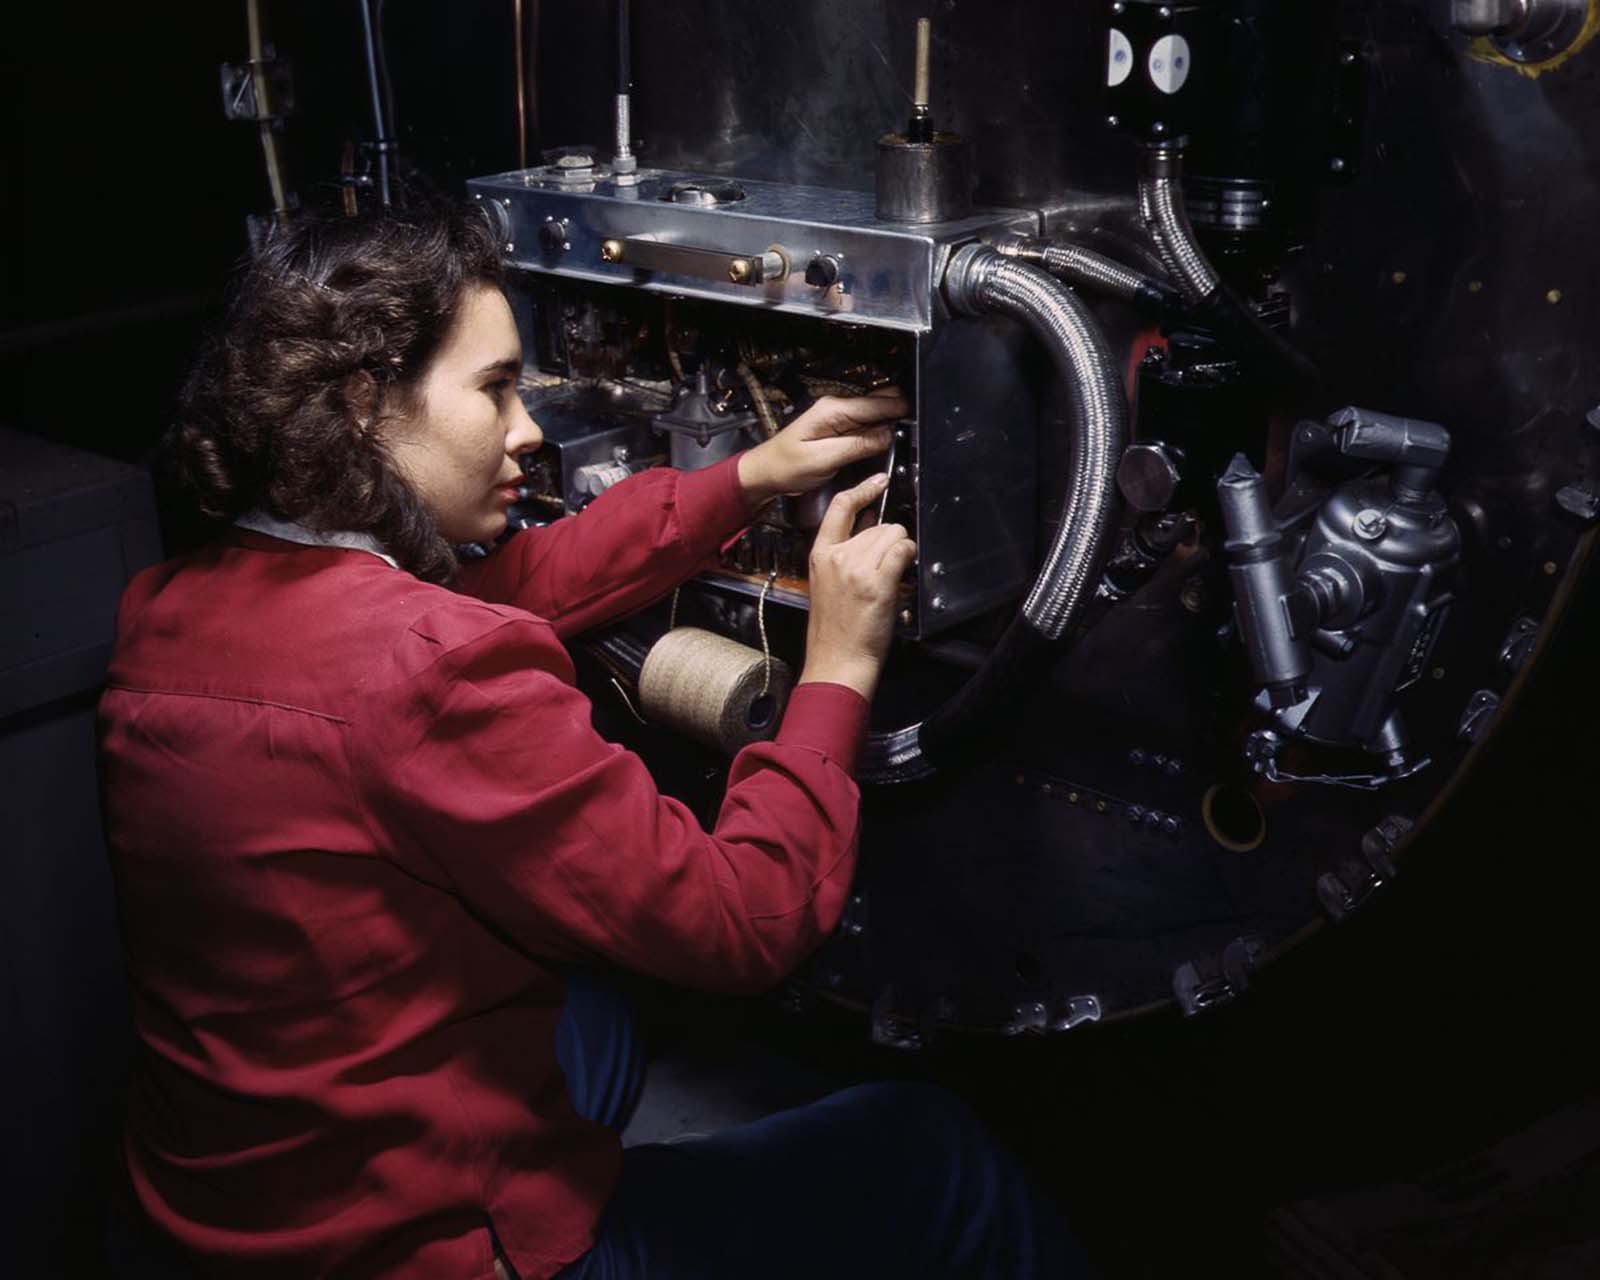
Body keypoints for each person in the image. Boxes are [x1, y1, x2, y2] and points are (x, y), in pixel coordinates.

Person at [99, 199, 1088, 1278]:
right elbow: (743, 919)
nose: (529, 428)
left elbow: (499, 596)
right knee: (934, 1152)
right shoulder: (434, 671)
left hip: (225, 1213)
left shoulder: (166, 609)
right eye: (494, 389)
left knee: (598, 1019)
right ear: (362, 405)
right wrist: (839, 664)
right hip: (418, 1253)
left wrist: (751, 475)